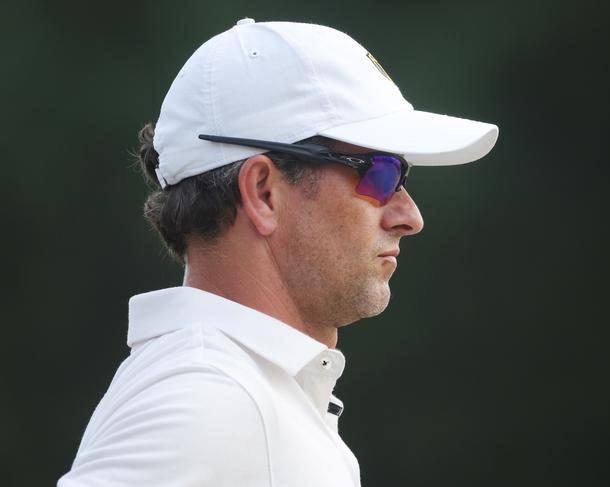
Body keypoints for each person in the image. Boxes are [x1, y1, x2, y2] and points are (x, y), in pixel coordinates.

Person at [58, 18, 498, 487]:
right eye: (379, 172)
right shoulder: (207, 397)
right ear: (264, 192)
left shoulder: (241, 389)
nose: (409, 216)